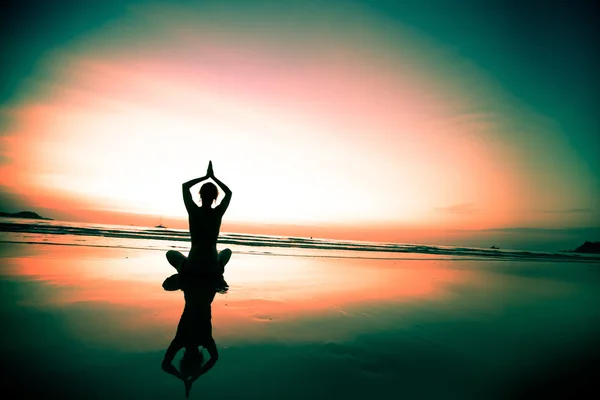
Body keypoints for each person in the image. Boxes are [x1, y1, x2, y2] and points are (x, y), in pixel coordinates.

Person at [161, 275, 226, 397]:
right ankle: (189, 272)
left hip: (208, 289)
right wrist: (184, 378)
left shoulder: (205, 340)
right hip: (191, 288)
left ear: (200, 359)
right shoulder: (180, 341)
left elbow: (214, 358)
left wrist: (196, 375)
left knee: (221, 285)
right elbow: (165, 365)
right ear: (183, 359)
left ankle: (205, 274)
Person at [165, 161, 232, 278]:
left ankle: (183, 267)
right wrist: (213, 177)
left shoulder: (193, 210)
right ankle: (217, 267)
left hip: (191, 267)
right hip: (213, 269)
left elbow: (185, 186)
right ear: (215, 197)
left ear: (200, 195)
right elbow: (229, 193)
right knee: (227, 251)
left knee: (170, 253)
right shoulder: (217, 213)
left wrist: (205, 177)